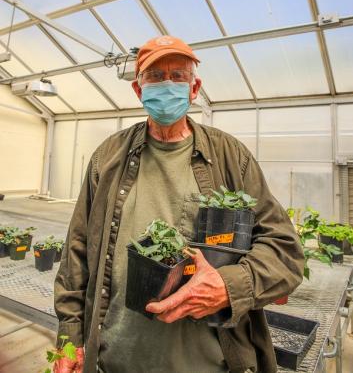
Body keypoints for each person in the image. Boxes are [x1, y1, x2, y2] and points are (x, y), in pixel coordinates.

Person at [54, 35, 304, 373]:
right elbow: (77, 254)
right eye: (155, 76)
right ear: (139, 91)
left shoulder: (231, 157)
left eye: (178, 76)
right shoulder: (107, 158)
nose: (167, 85)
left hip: (208, 364)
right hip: (115, 359)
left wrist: (228, 285)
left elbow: (285, 251)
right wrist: (69, 338)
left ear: (194, 87)